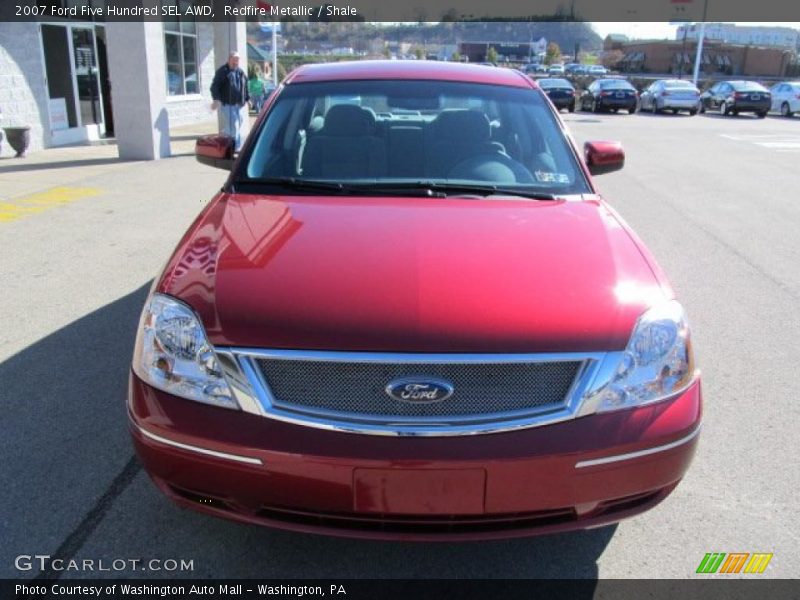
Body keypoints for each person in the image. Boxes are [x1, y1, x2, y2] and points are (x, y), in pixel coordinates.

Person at [210, 52, 249, 151]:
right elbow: (214, 87)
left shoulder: (240, 72)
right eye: (234, 59)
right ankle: (236, 148)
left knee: (239, 123)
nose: (235, 62)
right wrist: (216, 99)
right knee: (235, 125)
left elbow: (245, 86)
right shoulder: (222, 71)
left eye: (237, 60)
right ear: (229, 60)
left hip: (238, 105)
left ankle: (225, 134)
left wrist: (248, 98)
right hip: (227, 104)